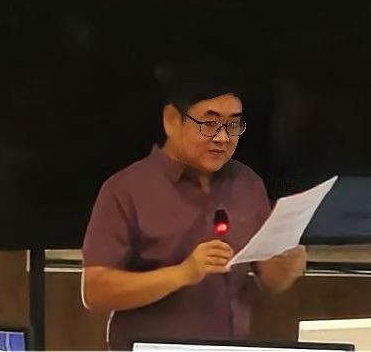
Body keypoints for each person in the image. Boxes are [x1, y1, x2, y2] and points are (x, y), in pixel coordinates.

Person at [81, 59, 307, 350]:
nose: (223, 138)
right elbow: (95, 291)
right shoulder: (125, 190)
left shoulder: (247, 184)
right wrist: (182, 274)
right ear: (172, 120)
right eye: (209, 124)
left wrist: (285, 266)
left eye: (233, 124)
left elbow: (271, 280)